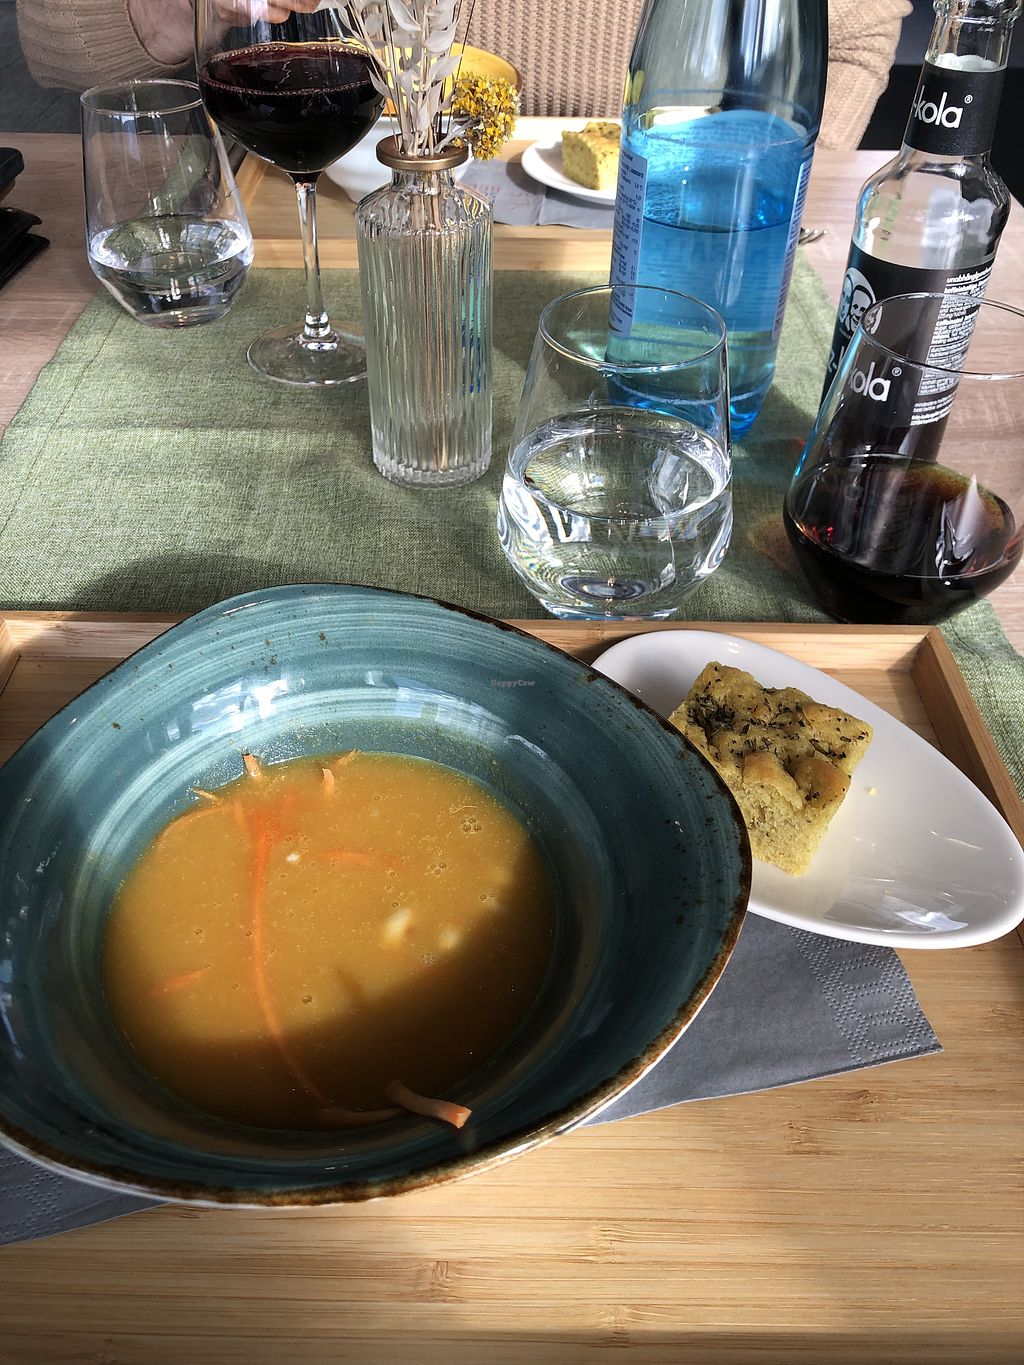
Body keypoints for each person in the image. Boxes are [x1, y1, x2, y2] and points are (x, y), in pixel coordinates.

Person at [17, 0, 912, 152]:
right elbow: (52, 40)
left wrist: (775, 177)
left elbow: (859, 32)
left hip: (665, 223)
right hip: (317, 224)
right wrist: (171, 12)